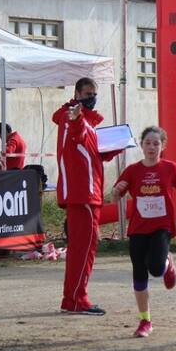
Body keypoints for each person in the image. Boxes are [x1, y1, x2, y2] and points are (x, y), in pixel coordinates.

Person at [53, 77, 122, 315]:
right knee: (84, 249)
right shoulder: (71, 117)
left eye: (94, 94)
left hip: (86, 193)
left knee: (82, 248)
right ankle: (76, 299)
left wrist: (114, 148)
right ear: (77, 94)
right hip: (82, 193)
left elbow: (89, 152)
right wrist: (77, 119)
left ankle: (72, 298)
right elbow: (77, 132)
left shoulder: (86, 121)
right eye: (87, 94)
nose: (92, 98)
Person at [111, 127, 176, 338]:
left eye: (156, 143)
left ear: (163, 146)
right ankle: (145, 320)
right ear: (141, 145)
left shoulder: (170, 168)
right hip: (138, 228)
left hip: (162, 226)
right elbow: (115, 196)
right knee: (139, 272)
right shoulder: (132, 170)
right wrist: (116, 192)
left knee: (155, 268)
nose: (152, 147)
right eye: (148, 143)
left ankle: (167, 261)